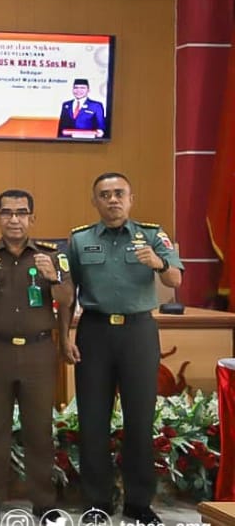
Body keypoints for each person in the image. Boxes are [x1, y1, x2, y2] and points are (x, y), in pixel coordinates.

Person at [66, 172, 183, 526]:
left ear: (131, 199)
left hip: (138, 333)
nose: (113, 200)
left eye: (119, 194)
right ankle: (97, 501)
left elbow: (175, 278)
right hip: (94, 332)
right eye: (105, 195)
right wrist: (65, 336)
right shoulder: (80, 240)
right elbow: (68, 292)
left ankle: (138, 503)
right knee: (92, 420)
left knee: (139, 420)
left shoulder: (152, 235)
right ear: (95, 201)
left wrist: (159, 263)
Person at [0, 190, 74, 525]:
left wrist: (53, 277)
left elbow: (67, 300)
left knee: (39, 430)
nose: (14, 219)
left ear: (32, 218)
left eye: (21, 213)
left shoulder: (53, 256)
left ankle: (44, 502)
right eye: (7, 213)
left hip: (39, 352)